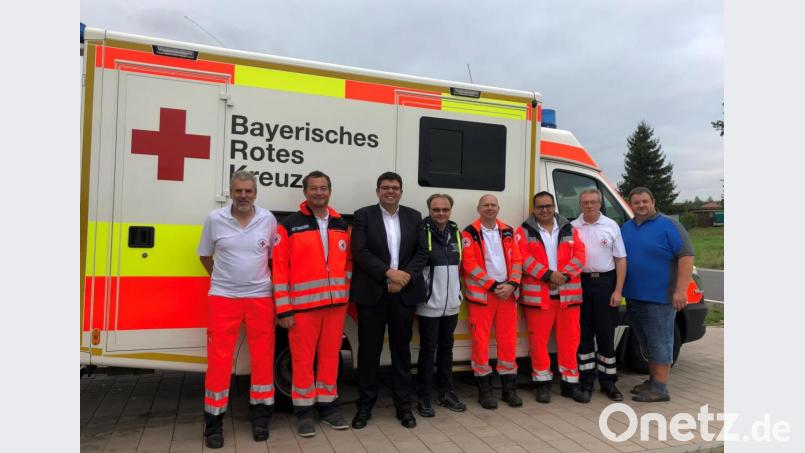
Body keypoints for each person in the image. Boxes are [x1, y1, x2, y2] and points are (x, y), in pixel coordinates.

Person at [197, 171, 277, 449]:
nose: (243, 195)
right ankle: (213, 424)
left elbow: (271, 259)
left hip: (260, 297)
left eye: (248, 191)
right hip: (223, 296)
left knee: (263, 358)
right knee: (219, 360)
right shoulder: (214, 219)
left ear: (256, 192)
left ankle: (261, 418)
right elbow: (205, 255)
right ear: (230, 191)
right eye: (238, 190)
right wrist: (224, 278)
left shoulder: (268, 219)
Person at [272, 171, 351, 437]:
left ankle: (328, 407)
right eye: (313, 188)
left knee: (330, 358)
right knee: (302, 361)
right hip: (303, 309)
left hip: (335, 307)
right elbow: (280, 270)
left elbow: (348, 263)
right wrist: (283, 308)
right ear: (305, 192)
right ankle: (304, 413)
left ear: (330, 191)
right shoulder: (289, 225)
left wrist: (345, 292)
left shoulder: (341, 223)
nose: (319, 193)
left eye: (323, 188)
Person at [350, 172, 429, 429]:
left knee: (401, 353)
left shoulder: (413, 216)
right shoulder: (363, 215)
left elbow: (422, 252)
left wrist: (404, 277)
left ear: (401, 192)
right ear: (378, 191)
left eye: (395, 188)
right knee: (369, 353)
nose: (390, 192)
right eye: (385, 188)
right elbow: (360, 251)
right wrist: (388, 273)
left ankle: (403, 407)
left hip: (402, 294)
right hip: (373, 294)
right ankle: (365, 406)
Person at [621, 187, 694, 403]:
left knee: (660, 342)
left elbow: (686, 256)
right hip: (635, 297)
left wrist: (680, 290)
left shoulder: (669, 225)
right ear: (630, 204)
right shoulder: (627, 227)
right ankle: (653, 381)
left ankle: (660, 388)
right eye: (636, 202)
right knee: (647, 343)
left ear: (653, 201)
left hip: (660, 298)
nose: (641, 205)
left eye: (645, 201)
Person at [515, 191, 586, 404]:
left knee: (570, 343)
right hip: (539, 299)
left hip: (568, 297)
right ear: (534, 209)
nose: (544, 210)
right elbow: (522, 258)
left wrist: (563, 276)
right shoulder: (523, 231)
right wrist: (548, 275)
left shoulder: (569, 229)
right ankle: (542, 385)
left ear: (554, 206)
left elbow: (580, 255)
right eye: (540, 207)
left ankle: (570, 385)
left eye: (548, 206)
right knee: (538, 343)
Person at [461, 194, 523, 410]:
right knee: (480, 342)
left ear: (498, 208)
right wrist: (493, 285)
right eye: (485, 205)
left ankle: (509, 390)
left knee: (508, 342)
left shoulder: (508, 230)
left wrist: (513, 284)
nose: (489, 208)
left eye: (493, 205)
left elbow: (517, 260)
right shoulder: (469, 233)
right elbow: (469, 264)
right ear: (479, 208)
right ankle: (485, 392)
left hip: (507, 294)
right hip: (483, 296)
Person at [570, 189, 627, 402]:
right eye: (585, 202)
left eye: (593, 202)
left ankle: (608, 383)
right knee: (583, 335)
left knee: (605, 335)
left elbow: (621, 259)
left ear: (600, 204)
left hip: (605, 283)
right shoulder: (573, 227)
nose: (589, 205)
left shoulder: (611, 226)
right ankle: (586, 382)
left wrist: (618, 290)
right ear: (580, 205)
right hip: (580, 283)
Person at [415, 194, 467, 417]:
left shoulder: (456, 232)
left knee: (446, 350)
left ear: (450, 210)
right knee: (428, 351)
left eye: (445, 209)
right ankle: (424, 397)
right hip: (429, 304)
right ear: (429, 209)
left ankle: (446, 392)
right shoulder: (421, 231)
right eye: (436, 209)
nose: (441, 214)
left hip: (451, 305)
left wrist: (457, 294)